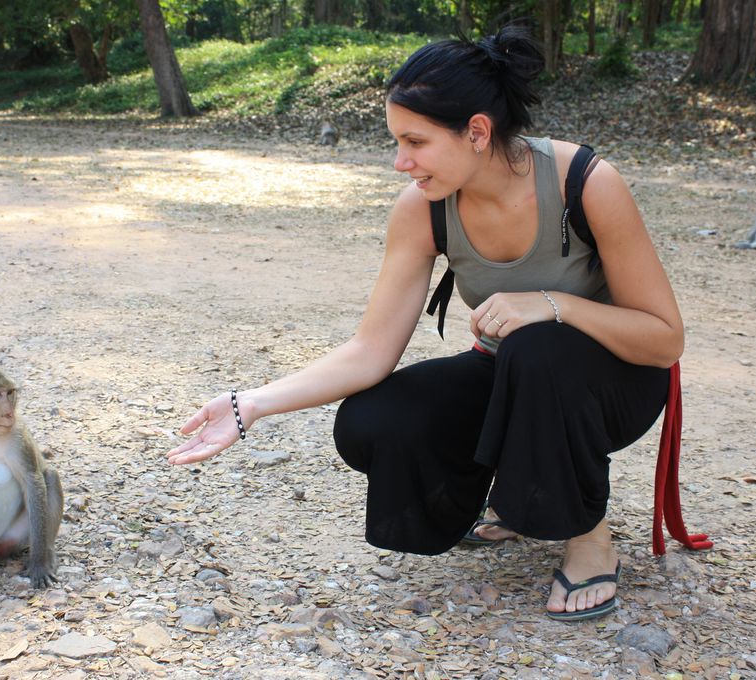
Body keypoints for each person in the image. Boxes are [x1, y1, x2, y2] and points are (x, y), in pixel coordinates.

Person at [166, 24, 683, 622]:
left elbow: (665, 338)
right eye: (396, 141)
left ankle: (588, 536)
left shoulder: (585, 183)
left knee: (539, 348)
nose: (399, 162)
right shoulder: (423, 208)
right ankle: (509, 500)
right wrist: (250, 403)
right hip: (515, 377)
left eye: (415, 141)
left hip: (611, 384)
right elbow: (370, 349)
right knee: (375, 419)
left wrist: (552, 303)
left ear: (478, 132)